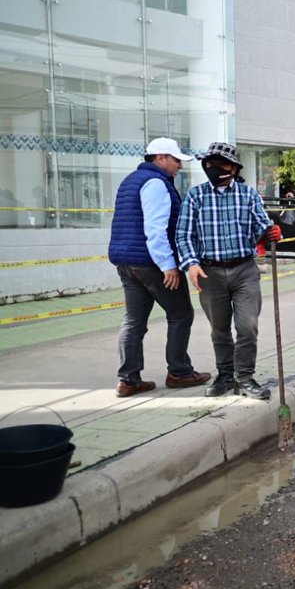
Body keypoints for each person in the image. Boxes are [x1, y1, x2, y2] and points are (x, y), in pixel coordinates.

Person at [176, 142, 280, 400]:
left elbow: (261, 226)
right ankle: (225, 375)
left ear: (233, 168)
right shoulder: (196, 196)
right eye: (210, 164)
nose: (214, 169)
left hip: (244, 270)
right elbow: (183, 235)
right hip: (209, 272)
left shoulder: (248, 195)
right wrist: (192, 263)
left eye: (220, 165)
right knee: (219, 329)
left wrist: (270, 233)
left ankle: (244, 377)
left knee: (247, 326)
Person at [108, 138, 210, 397]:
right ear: (161, 157)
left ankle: (128, 379)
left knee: (134, 320)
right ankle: (180, 372)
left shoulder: (131, 180)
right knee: (181, 314)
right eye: (176, 160)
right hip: (150, 262)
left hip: (127, 262)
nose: (179, 166)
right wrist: (168, 266)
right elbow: (155, 230)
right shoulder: (155, 184)